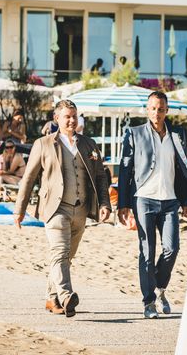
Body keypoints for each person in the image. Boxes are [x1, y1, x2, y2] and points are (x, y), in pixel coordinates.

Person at [14, 99, 111, 318]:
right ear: (56, 118)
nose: (72, 120)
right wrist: (19, 209)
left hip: (82, 210)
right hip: (55, 208)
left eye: (75, 116)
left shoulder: (89, 144)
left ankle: (51, 297)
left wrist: (105, 203)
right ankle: (67, 296)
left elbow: (100, 176)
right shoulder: (43, 143)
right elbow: (28, 179)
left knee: (66, 257)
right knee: (59, 252)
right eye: (67, 116)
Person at [117, 91, 187, 319]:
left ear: (166, 110)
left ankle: (159, 287)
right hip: (144, 199)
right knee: (146, 253)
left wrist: (186, 200)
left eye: (161, 109)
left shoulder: (177, 134)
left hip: (170, 201)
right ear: (147, 110)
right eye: (152, 108)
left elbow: (182, 169)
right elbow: (125, 169)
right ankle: (149, 302)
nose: (156, 113)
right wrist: (123, 203)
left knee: (172, 249)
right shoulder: (134, 133)